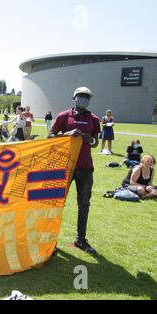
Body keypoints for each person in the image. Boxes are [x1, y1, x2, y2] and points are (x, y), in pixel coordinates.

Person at [50, 87, 101, 255]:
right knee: (57, 203)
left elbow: (95, 143)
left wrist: (91, 139)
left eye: (87, 97)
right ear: (74, 98)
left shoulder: (94, 119)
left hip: (85, 167)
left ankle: (80, 239)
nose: (84, 100)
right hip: (65, 166)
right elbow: (50, 137)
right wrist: (67, 134)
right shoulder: (64, 116)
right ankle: (50, 240)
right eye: (81, 97)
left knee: (84, 205)